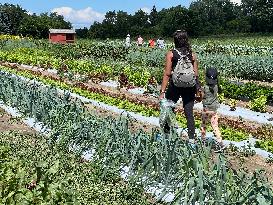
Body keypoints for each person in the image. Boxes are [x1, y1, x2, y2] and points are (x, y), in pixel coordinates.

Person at [159, 30, 200, 140]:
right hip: (189, 87)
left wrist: (162, 91)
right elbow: (196, 74)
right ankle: (191, 140)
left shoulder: (171, 53)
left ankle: (166, 136)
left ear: (175, 41)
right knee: (189, 113)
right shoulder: (192, 54)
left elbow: (167, 74)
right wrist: (198, 89)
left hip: (175, 86)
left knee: (169, 109)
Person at [200, 67, 224, 150]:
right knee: (215, 126)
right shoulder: (216, 87)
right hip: (214, 110)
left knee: (203, 125)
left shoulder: (204, 88)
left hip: (206, 110)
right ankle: (220, 142)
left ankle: (203, 140)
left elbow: (202, 97)